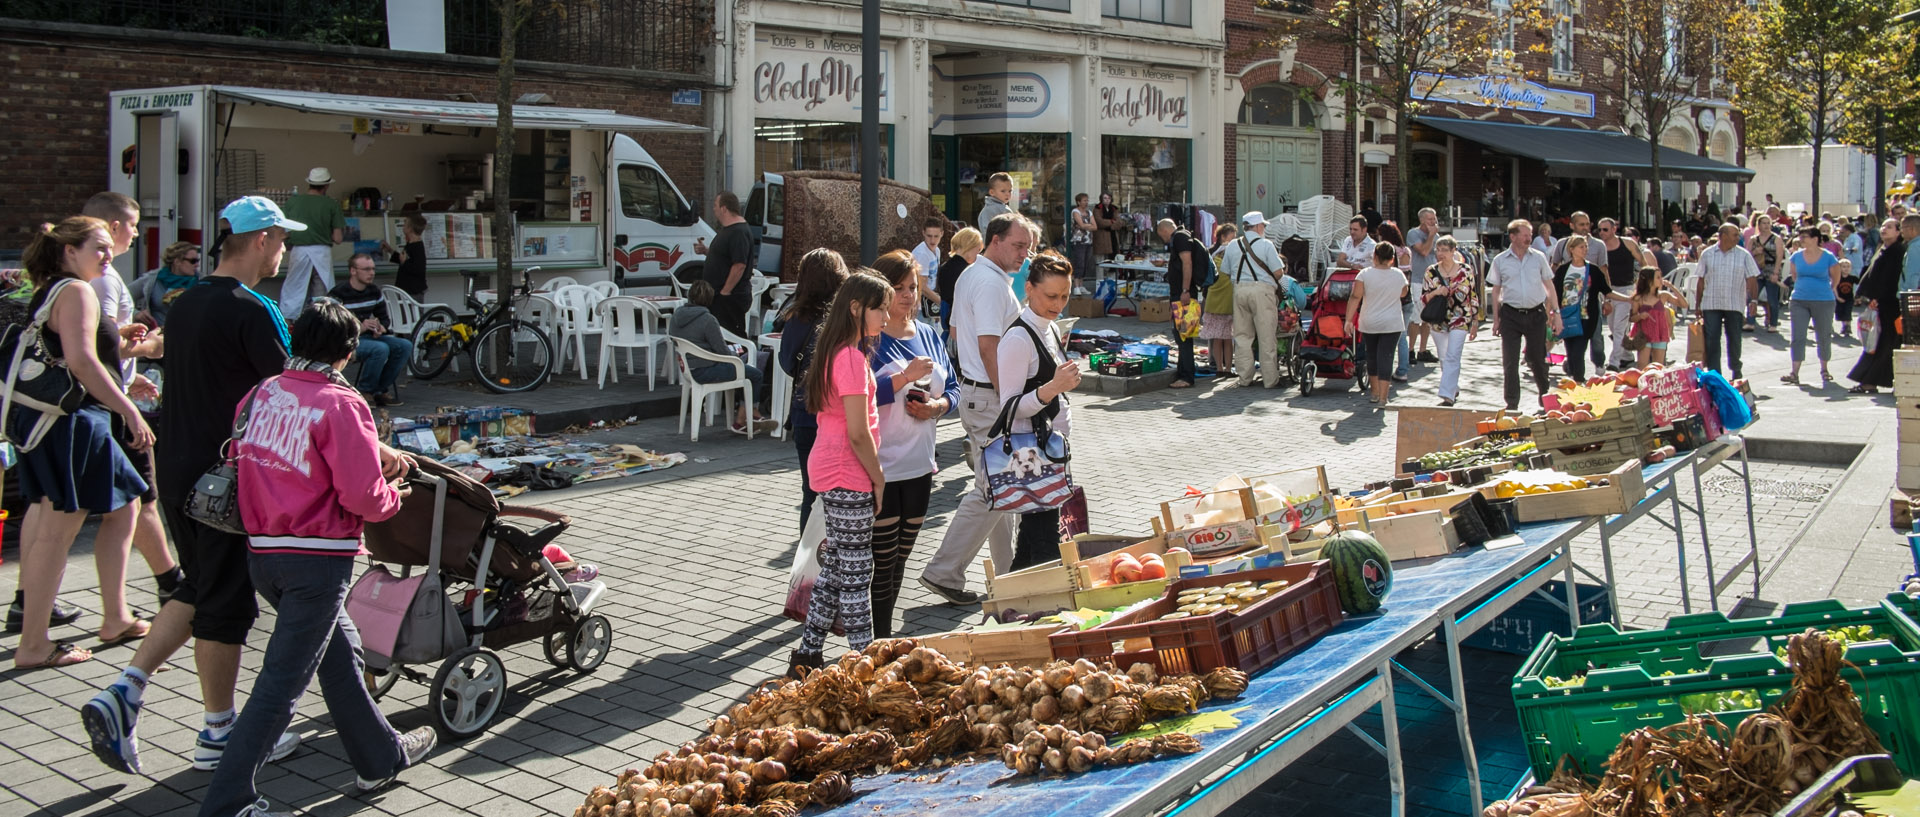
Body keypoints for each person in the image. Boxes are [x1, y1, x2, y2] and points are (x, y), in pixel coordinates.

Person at [83, 196, 319, 776]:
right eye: (282, 240)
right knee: (224, 602)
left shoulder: (184, 304)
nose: (284, 252)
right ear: (261, 239)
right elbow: (293, 389)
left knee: (200, 584)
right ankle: (219, 732)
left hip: (179, 466)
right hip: (226, 478)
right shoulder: (253, 308)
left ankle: (127, 690)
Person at [200, 301, 437, 817]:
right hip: (318, 558)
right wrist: (396, 490)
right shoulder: (340, 404)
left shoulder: (260, 392)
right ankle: (228, 801)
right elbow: (362, 497)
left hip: (263, 552)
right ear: (349, 353)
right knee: (280, 685)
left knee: (341, 654)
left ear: (294, 342)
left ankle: (380, 756)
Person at [9, 217, 156, 669]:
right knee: (57, 536)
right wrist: (128, 409)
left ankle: (115, 615)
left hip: (61, 423)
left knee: (126, 505)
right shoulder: (76, 291)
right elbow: (82, 361)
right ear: (68, 250)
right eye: (99, 246)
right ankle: (33, 644)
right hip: (70, 426)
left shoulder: (58, 289)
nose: (109, 255)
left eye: (111, 247)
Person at [919, 214, 1028, 604]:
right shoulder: (986, 281)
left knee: (1002, 484)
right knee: (994, 487)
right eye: (1018, 246)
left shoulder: (978, 274)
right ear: (994, 240)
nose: (1024, 254)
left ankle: (1009, 575)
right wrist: (1011, 397)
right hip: (990, 395)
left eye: (1027, 247)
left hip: (981, 392)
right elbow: (988, 345)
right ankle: (944, 571)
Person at [788, 271, 892, 679]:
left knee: (835, 569)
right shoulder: (849, 357)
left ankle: (808, 654)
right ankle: (864, 661)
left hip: (834, 468)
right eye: (879, 308)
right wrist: (878, 477)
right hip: (846, 471)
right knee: (855, 570)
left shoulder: (840, 352)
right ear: (855, 308)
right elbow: (857, 431)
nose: (885, 317)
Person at [82, 192, 180, 616]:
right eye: (134, 225)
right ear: (115, 226)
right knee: (137, 500)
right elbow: (95, 346)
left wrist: (129, 371)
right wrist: (146, 347)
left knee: (119, 506)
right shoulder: (103, 278)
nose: (137, 233)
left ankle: (32, 602)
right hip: (106, 407)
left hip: (107, 398)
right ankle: (168, 583)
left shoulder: (98, 276)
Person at [868, 252, 956, 639]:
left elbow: (953, 386)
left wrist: (936, 406)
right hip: (881, 468)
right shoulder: (868, 340)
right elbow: (860, 398)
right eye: (899, 288)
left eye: (913, 288)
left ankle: (882, 640)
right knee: (882, 562)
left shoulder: (929, 334)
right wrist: (904, 378)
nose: (908, 296)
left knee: (901, 557)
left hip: (921, 465)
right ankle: (879, 640)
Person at [997, 252, 1081, 569]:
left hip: (1052, 450)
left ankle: (1013, 606)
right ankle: (1038, 611)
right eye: (1050, 295)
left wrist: (1063, 384)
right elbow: (1010, 407)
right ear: (1029, 288)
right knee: (1045, 547)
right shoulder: (1018, 338)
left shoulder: (1051, 328)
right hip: (1030, 454)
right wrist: (1053, 387)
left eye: (1064, 296)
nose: (1058, 303)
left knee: (1033, 542)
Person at [778, 248, 850, 532]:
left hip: (805, 412)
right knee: (843, 492)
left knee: (811, 492)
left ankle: (809, 560)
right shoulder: (844, 319)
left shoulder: (796, 317)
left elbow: (786, 362)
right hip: (839, 417)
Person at [672, 281, 775, 434]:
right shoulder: (707, 319)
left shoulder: (676, 316)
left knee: (742, 370)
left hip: (687, 369)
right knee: (754, 374)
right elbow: (722, 352)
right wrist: (738, 357)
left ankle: (749, 413)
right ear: (709, 299)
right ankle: (743, 418)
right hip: (706, 369)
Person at [1489, 219, 1563, 411]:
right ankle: (1512, 403)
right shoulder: (1500, 260)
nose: (1529, 238)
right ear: (1512, 237)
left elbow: (1549, 286)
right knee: (1510, 361)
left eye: (1530, 235)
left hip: (1536, 313)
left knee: (1537, 358)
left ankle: (1544, 396)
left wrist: (1556, 313)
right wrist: (1496, 319)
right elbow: (1496, 291)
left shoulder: (1538, 257)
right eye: (1525, 235)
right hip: (1510, 314)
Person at [325, 253, 414, 405]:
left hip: (369, 337)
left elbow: (384, 318)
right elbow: (332, 326)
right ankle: (365, 391)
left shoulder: (374, 291)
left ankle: (379, 390)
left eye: (373, 269)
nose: (371, 273)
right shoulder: (338, 294)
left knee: (404, 345)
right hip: (346, 340)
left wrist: (381, 327)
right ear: (353, 271)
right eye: (366, 269)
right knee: (380, 349)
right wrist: (359, 327)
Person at [1222, 211, 1286, 388]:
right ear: (1257, 226)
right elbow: (1278, 273)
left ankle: (1244, 378)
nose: (1264, 228)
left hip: (1239, 289)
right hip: (1262, 291)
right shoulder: (1266, 245)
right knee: (1266, 336)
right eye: (1263, 225)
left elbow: (1225, 271)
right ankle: (1270, 380)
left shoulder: (1233, 245)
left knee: (1242, 336)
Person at [1693, 223, 1764, 381]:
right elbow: (1701, 281)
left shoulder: (1743, 255)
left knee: (1734, 338)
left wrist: (1753, 300)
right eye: (1734, 235)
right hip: (1711, 303)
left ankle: (1736, 371)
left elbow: (1752, 279)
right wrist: (1697, 305)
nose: (1738, 238)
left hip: (1734, 303)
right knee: (1711, 339)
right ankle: (1715, 375)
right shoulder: (1707, 254)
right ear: (1723, 236)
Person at [1848, 217, 1907, 394]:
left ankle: (1871, 381)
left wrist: (1877, 297)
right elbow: (1873, 274)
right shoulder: (1884, 249)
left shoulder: (1898, 251)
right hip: (1882, 303)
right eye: (1883, 226)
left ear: (1899, 232)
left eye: (1889, 227)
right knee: (1880, 342)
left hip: (1891, 304)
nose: (1884, 229)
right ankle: (1871, 380)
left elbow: (1891, 279)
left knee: (1886, 342)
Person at [276, 167, 345, 318]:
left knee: (293, 291)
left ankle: (288, 325)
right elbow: (338, 238)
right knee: (323, 296)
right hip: (322, 252)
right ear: (326, 186)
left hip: (299, 251)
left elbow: (284, 232)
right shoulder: (331, 204)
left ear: (309, 183)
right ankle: (323, 324)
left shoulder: (293, 202)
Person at [1347, 242, 1408, 406]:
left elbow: (1355, 297)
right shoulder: (1398, 275)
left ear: (1374, 256)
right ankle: (1383, 397)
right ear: (1392, 258)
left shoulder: (1364, 274)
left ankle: (1374, 393)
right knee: (1386, 357)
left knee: (1372, 356)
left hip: (1369, 321)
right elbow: (1403, 293)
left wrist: (1348, 320)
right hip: (1392, 323)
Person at [1552, 235, 1619, 384]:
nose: (1585, 250)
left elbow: (1606, 290)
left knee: (1578, 351)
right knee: (1571, 352)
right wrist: (1551, 314)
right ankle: (1575, 381)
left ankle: (1579, 381)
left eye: (1586, 247)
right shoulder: (1563, 270)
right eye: (1581, 247)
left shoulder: (1593, 270)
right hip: (1567, 317)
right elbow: (1554, 293)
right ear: (1572, 249)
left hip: (1586, 318)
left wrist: (1627, 299)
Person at [1780, 227, 1842, 386]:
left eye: (1805, 237)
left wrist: (1829, 288)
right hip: (1799, 299)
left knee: (1823, 335)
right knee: (1798, 335)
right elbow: (1794, 276)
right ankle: (1794, 372)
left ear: (1815, 238)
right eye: (1800, 237)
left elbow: (1836, 277)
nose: (1801, 240)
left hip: (1823, 300)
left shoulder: (1828, 257)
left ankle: (1824, 368)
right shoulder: (1796, 256)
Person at [1422, 235, 1478, 406]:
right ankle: (1453, 386)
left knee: (1453, 355)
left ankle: (1447, 395)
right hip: (1438, 318)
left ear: (1454, 251)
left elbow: (1473, 296)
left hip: (1461, 316)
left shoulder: (1466, 270)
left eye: (1445, 250)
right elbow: (1424, 297)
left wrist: (1474, 321)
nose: (1440, 253)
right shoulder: (1431, 271)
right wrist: (1437, 292)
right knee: (1444, 356)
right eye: (1438, 250)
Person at [693, 192, 755, 336]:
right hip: (719, 295)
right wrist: (707, 251)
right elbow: (727, 256)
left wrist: (725, 291)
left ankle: (737, 358)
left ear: (724, 208)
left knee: (731, 335)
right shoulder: (728, 230)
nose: (713, 209)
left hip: (729, 296)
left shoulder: (738, 232)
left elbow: (739, 265)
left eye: (715, 205)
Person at [1156, 218, 1208, 388]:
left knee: (1184, 336)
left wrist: (1185, 290)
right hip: (1183, 294)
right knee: (1182, 334)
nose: (1163, 239)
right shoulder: (1183, 236)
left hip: (1184, 296)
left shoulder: (1179, 238)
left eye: (1161, 235)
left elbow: (1187, 263)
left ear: (1164, 230)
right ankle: (1183, 372)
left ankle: (1186, 377)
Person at [1595, 218, 1644, 370]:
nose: (1602, 233)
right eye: (1600, 230)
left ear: (1614, 229)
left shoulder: (1628, 243)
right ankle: (1627, 356)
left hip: (1626, 290)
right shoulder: (1599, 247)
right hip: (1608, 291)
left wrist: (1642, 286)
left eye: (1605, 229)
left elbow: (1643, 262)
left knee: (1619, 327)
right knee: (1611, 326)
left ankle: (1614, 362)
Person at [1377, 221, 1417, 381]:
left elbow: (1402, 279)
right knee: (1401, 335)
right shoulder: (1405, 250)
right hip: (1406, 300)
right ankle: (1401, 369)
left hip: (1397, 300)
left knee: (1398, 336)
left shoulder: (1388, 253)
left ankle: (1401, 370)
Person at [130, 240, 203, 327]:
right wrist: (136, 313)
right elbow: (122, 297)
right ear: (177, 262)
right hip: (159, 335)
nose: (197, 265)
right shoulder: (153, 279)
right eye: (193, 261)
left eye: (197, 261)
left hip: (189, 335)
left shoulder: (201, 282)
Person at [1626, 268, 1686, 368]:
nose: (1661, 280)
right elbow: (1632, 318)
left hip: (1660, 334)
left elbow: (1684, 304)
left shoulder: (1663, 296)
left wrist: (1672, 287)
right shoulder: (1639, 298)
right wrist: (1640, 316)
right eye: (1658, 277)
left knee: (1658, 367)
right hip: (1643, 335)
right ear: (1649, 281)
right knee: (1642, 366)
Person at [1201, 223, 1239, 379]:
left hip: (1213, 302)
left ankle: (1219, 368)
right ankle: (1228, 368)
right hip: (1227, 303)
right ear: (1223, 237)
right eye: (1231, 237)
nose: (1233, 241)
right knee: (1227, 339)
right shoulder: (1233, 259)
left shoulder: (1210, 255)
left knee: (1217, 338)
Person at [1406, 208, 1441, 364]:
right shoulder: (1413, 234)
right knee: (1416, 317)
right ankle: (1410, 350)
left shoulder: (1436, 236)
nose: (1433, 223)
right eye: (1429, 220)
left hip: (1432, 281)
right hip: (1418, 280)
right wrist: (1432, 236)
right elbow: (1425, 252)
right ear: (1421, 220)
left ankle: (1423, 350)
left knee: (1428, 317)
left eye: (1434, 219)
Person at [937, 228, 982, 335]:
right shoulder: (968, 271)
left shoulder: (944, 267)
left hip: (946, 323)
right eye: (978, 249)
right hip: (961, 328)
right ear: (970, 246)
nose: (979, 254)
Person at [1748, 214, 1786, 332]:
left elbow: (1780, 256)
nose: (1766, 226)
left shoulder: (1776, 239)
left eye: (1768, 223)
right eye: (1763, 223)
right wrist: (1755, 251)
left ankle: (1773, 323)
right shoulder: (1753, 239)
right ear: (1758, 225)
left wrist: (1776, 272)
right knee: (1752, 297)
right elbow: (1747, 254)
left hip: (1771, 268)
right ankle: (1750, 322)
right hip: (1757, 270)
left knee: (1772, 299)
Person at [378, 212, 429, 301]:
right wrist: (390, 250)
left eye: (405, 225)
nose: (403, 227)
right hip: (405, 290)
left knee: (411, 314)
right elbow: (404, 259)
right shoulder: (410, 244)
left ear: (410, 229)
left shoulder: (417, 247)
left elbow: (418, 269)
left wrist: (404, 262)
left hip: (413, 291)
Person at [911, 216, 946, 317]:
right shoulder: (922, 254)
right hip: (920, 305)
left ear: (942, 234)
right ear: (923, 233)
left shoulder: (937, 250)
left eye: (936, 236)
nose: (932, 240)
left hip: (930, 301)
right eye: (929, 236)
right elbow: (922, 287)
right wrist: (941, 302)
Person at [1068, 194, 1096, 281]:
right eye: (1084, 200)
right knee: (1079, 262)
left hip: (1088, 240)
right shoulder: (1075, 211)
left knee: (1086, 263)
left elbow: (1095, 227)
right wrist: (1088, 225)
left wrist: (1086, 226)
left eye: (1087, 200)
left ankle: (1081, 284)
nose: (1086, 202)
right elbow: (1081, 225)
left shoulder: (1089, 212)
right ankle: (1076, 285)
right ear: (1078, 202)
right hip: (1078, 241)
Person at [1092, 193, 1121, 262]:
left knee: (1113, 258)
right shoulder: (1097, 208)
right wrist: (1111, 221)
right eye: (1105, 198)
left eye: (1109, 198)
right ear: (1101, 199)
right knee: (1100, 259)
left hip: (1112, 235)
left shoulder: (1114, 208)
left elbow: (1119, 222)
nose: (1107, 200)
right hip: (1101, 236)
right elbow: (1099, 222)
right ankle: (1100, 273)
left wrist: (1111, 226)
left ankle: (1111, 272)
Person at [1836, 258, 1858, 338]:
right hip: (1839, 298)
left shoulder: (1852, 278)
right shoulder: (1838, 278)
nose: (1846, 268)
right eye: (1844, 267)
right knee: (1840, 312)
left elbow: (1860, 283)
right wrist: (1837, 297)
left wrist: (1858, 296)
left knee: (1848, 311)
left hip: (1849, 298)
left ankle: (1847, 326)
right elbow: (1833, 287)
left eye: (1848, 267)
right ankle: (1844, 326)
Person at [1903, 213, 1920, 292]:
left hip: (1913, 298)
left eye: (1902, 227)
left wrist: (1910, 295)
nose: (1901, 231)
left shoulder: (1915, 247)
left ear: (1911, 229)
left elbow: (1913, 275)